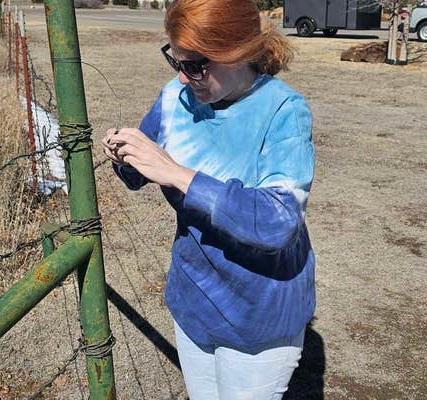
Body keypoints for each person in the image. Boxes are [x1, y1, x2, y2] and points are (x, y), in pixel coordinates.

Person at [101, 0, 316, 398]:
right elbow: (141, 171)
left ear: (240, 53)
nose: (184, 79)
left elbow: (278, 222)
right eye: (176, 62)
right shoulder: (176, 99)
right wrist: (125, 157)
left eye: (196, 65)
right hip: (193, 302)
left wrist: (179, 175)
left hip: (258, 315)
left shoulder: (284, 111)